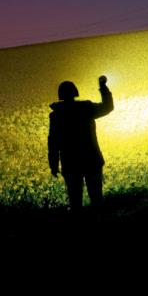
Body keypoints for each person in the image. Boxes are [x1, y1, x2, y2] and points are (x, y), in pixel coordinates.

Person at [48, 75, 114, 214]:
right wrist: (103, 87)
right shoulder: (86, 108)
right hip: (92, 160)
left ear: (60, 95)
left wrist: (54, 164)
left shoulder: (56, 115)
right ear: (75, 92)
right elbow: (108, 107)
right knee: (97, 200)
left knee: (75, 204)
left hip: (70, 163)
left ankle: (79, 228)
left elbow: (53, 142)